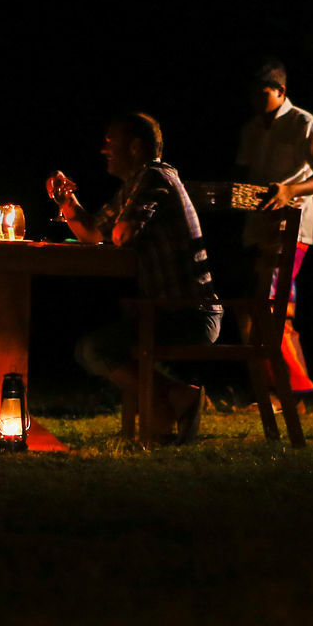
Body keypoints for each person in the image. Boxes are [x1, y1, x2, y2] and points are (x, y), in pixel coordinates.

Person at [46, 113, 218, 441]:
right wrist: (67, 201)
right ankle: (178, 397)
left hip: (189, 315)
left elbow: (123, 234)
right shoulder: (137, 183)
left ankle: (169, 403)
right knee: (91, 349)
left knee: (95, 349)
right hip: (170, 311)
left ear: (136, 147)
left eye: (111, 143)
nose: (103, 150)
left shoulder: (154, 178)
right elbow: (94, 233)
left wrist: (119, 225)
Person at [235, 59, 313, 399]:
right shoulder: (251, 129)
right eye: (252, 94)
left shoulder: (305, 124)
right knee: (257, 310)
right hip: (257, 228)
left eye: (263, 94)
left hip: (293, 227)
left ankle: (290, 395)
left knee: (276, 309)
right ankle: (274, 392)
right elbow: (248, 179)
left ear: (280, 91)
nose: (256, 101)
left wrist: (290, 190)